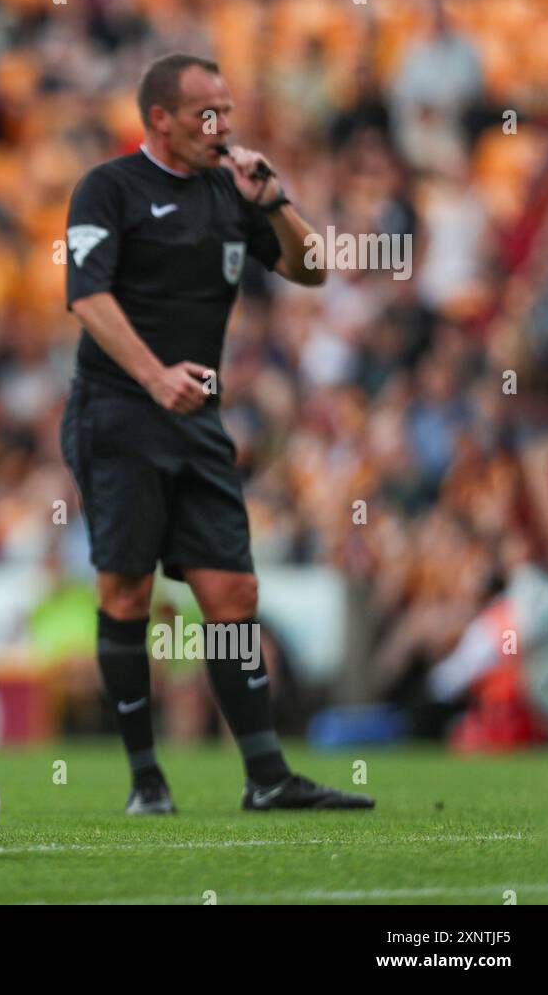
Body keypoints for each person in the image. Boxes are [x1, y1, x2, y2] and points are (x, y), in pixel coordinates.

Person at [60, 52, 374, 813]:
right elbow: (88, 299)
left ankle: (266, 777)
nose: (224, 126)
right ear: (160, 119)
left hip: (198, 419)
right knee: (128, 590)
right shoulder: (109, 188)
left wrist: (276, 203)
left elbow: (314, 271)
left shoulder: (233, 194)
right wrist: (153, 376)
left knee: (233, 590)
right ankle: (145, 780)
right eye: (208, 112)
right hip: (120, 414)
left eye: (228, 110)